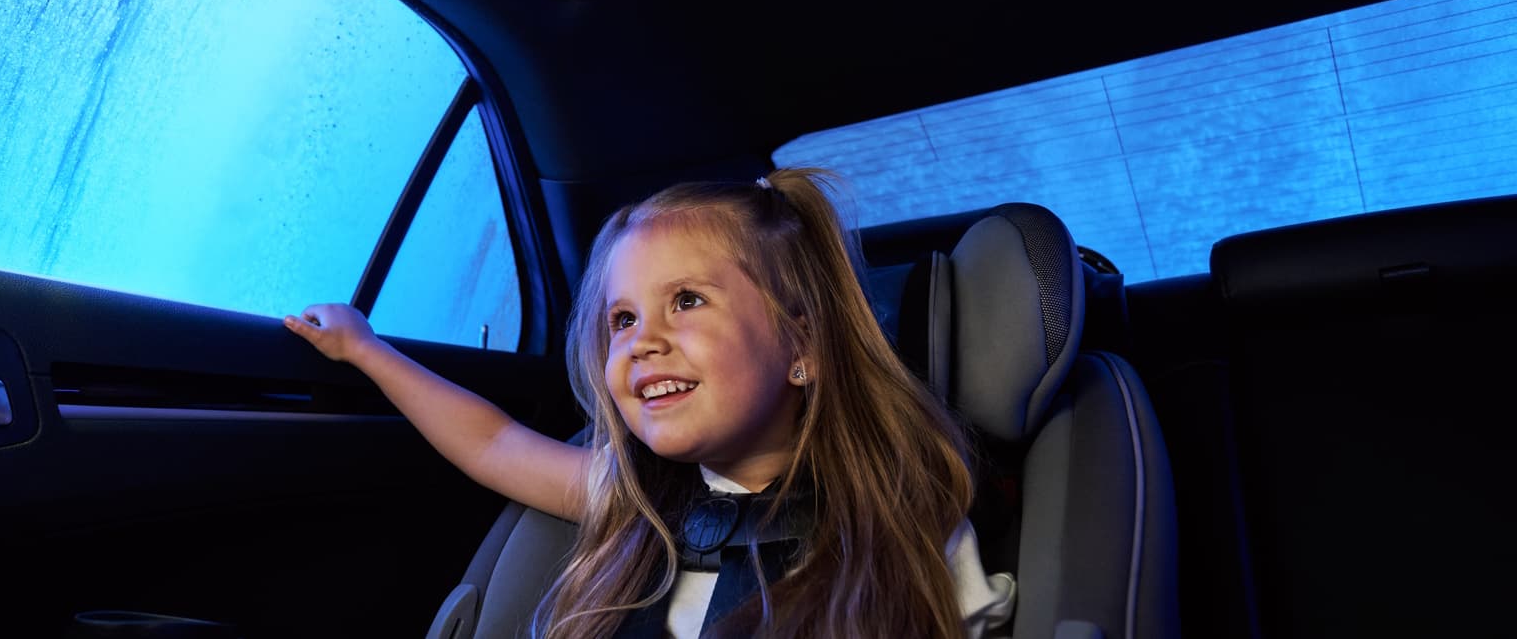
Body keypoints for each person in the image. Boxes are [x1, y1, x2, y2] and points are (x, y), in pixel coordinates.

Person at [285, 168, 1013, 638]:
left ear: (803, 347)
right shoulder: (637, 499)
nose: (642, 341)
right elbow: (492, 443)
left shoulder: (905, 532)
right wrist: (366, 350)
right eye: (623, 319)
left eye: (686, 301)